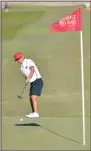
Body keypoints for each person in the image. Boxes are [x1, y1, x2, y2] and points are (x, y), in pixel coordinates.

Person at [14, 52, 43, 118]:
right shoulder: (21, 68)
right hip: (32, 82)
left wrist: (29, 77)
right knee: (30, 98)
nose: (19, 60)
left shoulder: (28, 61)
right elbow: (25, 76)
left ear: (22, 57)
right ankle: (34, 113)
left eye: (19, 59)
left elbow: (32, 70)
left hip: (38, 80)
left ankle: (36, 113)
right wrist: (27, 79)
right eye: (17, 60)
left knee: (33, 97)